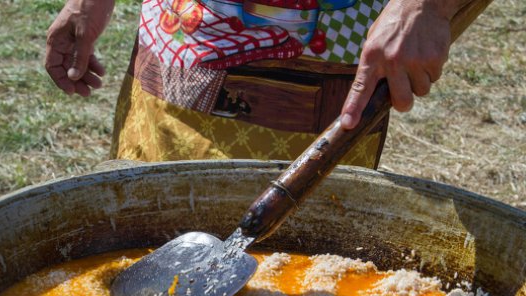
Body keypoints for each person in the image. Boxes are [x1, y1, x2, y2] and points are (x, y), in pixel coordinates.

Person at [45, 0, 474, 167]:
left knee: (299, 277)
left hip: (319, 53)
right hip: (180, 35)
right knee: (145, 236)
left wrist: (426, 6)